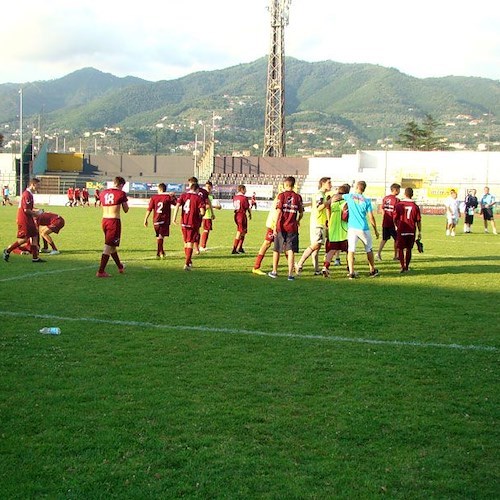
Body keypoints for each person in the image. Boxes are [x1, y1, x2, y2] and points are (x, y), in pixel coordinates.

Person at [268, 176, 304, 280]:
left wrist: (275, 226)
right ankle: (290, 274)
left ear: (285, 185)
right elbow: (301, 212)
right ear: (293, 185)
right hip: (292, 227)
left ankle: (274, 271)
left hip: (281, 226)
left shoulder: (281, 195)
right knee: (291, 250)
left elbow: (278, 211)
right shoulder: (298, 197)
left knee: (277, 249)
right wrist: (297, 221)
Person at [342, 180, 380, 279]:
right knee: (369, 249)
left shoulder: (349, 197)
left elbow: (339, 196)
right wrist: (375, 230)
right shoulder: (367, 201)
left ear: (356, 187)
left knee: (351, 250)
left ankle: (351, 272)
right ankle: (372, 270)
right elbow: (371, 217)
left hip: (352, 228)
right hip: (363, 228)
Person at [3, 178, 45, 263]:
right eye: (38, 185)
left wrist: (37, 211)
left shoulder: (29, 194)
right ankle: (7, 250)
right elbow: (26, 210)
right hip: (24, 219)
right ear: (33, 185)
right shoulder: (27, 194)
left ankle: (35, 257)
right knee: (24, 239)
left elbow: (28, 208)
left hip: (28, 218)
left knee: (34, 235)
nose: (39, 187)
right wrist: (36, 214)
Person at [295, 177, 331, 276]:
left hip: (319, 223)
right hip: (318, 223)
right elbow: (319, 207)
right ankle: (299, 263)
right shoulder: (319, 195)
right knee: (316, 245)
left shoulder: (322, 194)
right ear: (323, 184)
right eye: (329, 182)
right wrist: (329, 201)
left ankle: (316, 269)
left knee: (317, 247)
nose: (330, 184)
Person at [96, 176, 129, 277]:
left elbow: (101, 203)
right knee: (108, 246)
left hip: (104, 220)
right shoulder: (121, 193)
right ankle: (101, 271)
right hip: (113, 221)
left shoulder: (104, 192)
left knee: (112, 246)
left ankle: (120, 266)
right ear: (121, 185)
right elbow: (126, 209)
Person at [173, 181, 205, 270]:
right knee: (190, 242)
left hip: (183, 222)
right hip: (192, 222)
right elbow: (202, 211)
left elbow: (177, 206)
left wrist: (174, 218)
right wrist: (200, 215)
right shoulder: (198, 198)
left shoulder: (183, 195)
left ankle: (189, 261)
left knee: (186, 242)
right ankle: (187, 264)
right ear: (197, 189)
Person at [321, 183, 350, 278]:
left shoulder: (333, 200)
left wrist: (329, 221)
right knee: (348, 250)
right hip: (344, 228)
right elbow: (347, 215)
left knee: (332, 249)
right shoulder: (346, 200)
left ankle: (325, 267)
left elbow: (326, 207)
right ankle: (350, 269)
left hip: (333, 226)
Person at [393, 187, 422, 273]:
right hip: (411, 230)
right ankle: (407, 267)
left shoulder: (399, 205)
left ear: (404, 194)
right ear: (412, 195)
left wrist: (396, 226)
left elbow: (394, 218)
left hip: (401, 229)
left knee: (400, 249)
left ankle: (402, 266)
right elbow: (418, 221)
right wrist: (420, 232)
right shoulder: (415, 206)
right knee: (409, 249)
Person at [144, 183, 175, 259]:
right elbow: (176, 203)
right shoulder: (168, 197)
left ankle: (161, 251)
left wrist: (145, 219)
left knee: (159, 236)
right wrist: (173, 196)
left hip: (156, 219)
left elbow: (149, 209)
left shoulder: (154, 197)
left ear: (160, 189)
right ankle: (159, 252)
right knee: (161, 236)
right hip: (164, 219)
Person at [252, 193, 280, 275]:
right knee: (267, 243)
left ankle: (293, 266)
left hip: (278, 225)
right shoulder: (281, 196)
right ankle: (256, 267)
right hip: (273, 224)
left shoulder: (284, 195)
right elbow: (276, 211)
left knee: (285, 246)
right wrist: (275, 225)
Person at [377, 183, 401, 260]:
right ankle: (396, 256)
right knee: (397, 239)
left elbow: (382, 210)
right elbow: (397, 212)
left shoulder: (385, 198)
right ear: (396, 190)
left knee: (384, 239)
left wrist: (384, 218)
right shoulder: (397, 200)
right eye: (399, 190)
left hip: (385, 222)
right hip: (392, 223)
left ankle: (378, 254)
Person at [199, 181, 221, 251]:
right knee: (206, 230)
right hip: (206, 215)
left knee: (207, 230)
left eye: (209, 187)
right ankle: (202, 246)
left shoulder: (210, 196)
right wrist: (214, 206)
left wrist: (215, 208)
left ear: (211, 187)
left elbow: (210, 206)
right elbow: (206, 206)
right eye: (207, 187)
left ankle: (203, 246)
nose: (208, 188)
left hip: (209, 215)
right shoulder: (204, 195)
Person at [232, 184, 252, 254]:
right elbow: (247, 207)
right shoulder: (244, 198)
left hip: (236, 214)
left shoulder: (235, 197)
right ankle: (234, 249)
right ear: (242, 190)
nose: (246, 191)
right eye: (245, 189)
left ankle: (240, 247)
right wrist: (250, 214)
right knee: (240, 231)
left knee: (243, 231)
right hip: (241, 215)